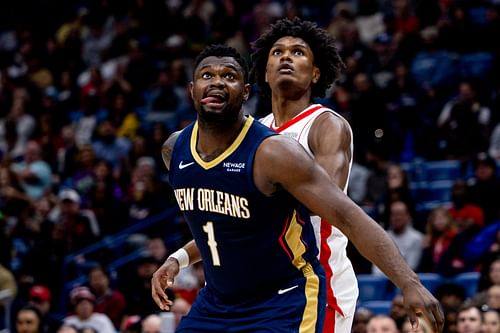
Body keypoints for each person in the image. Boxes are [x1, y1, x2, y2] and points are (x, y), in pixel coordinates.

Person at [151, 44, 443, 332]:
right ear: (191, 89)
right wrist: (180, 257)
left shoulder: (282, 148)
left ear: (246, 91)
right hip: (218, 301)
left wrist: (409, 282)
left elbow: (345, 215)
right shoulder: (175, 150)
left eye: (229, 76)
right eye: (207, 75)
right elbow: (228, 222)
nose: (216, 83)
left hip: (286, 293)